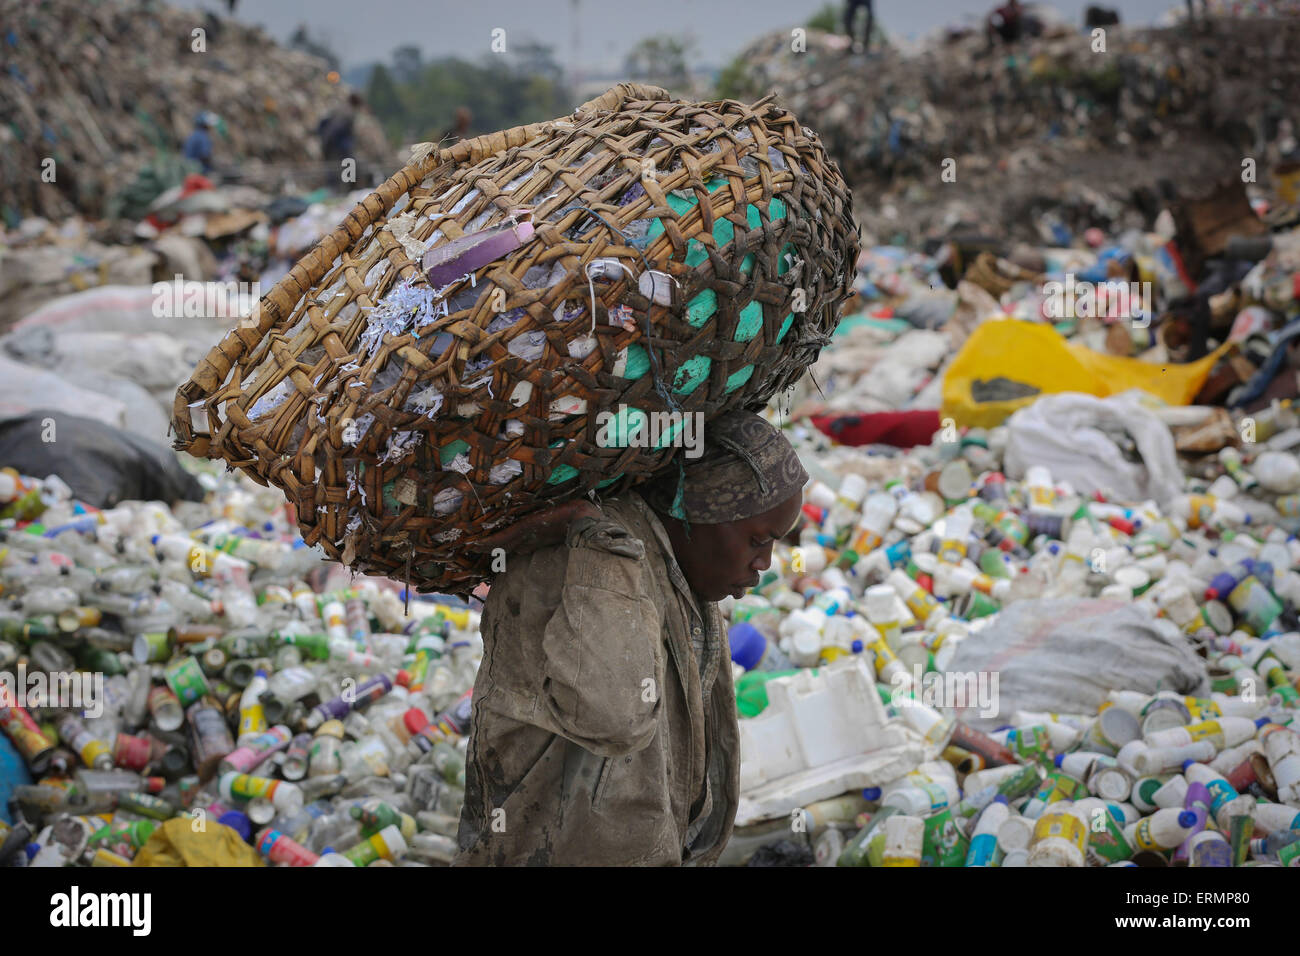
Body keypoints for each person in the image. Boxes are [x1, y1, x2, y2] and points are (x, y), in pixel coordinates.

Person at [454, 410, 807, 866]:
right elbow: (612, 716)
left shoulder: (682, 574)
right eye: (758, 539)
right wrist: (598, 541)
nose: (765, 563)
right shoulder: (588, 558)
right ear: (696, 511)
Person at [318, 92, 362, 162]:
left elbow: (325, 121)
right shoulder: (349, 113)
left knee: (332, 164)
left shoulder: (339, 108)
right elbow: (337, 128)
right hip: (337, 143)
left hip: (329, 140)